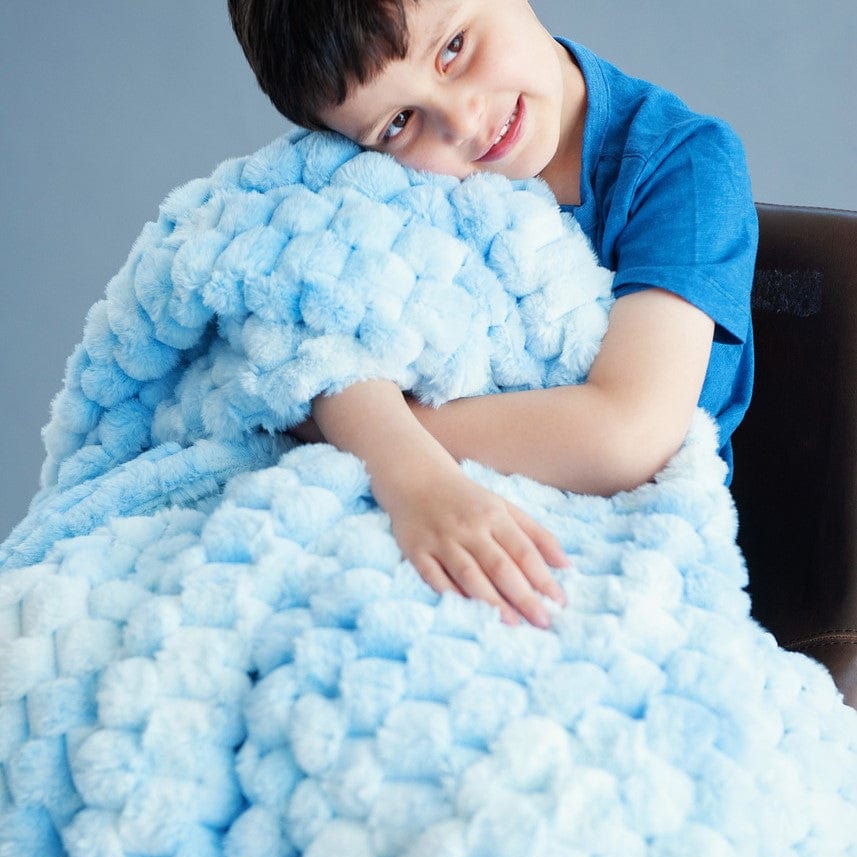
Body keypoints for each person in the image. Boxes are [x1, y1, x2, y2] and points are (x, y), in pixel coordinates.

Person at [227, 0, 758, 630]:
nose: (460, 122)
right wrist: (406, 477)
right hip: (402, 524)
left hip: (608, 559)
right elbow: (322, 330)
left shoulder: (683, 165)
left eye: (453, 48)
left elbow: (626, 434)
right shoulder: (369, 180)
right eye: (399, 121)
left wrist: (381, 438)